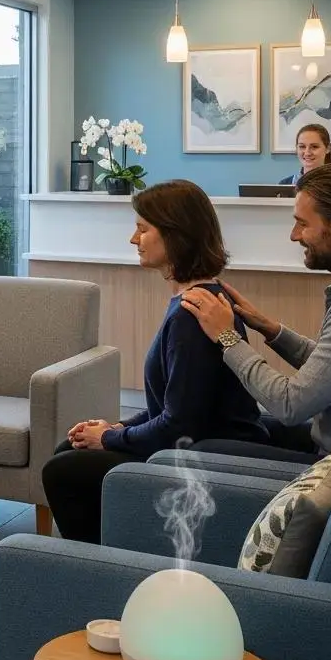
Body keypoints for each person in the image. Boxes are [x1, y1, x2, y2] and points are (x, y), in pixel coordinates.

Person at [41, 180, 268, 544]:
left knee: (62, 470)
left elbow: (180, 425)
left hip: (204, 456)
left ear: (175, 236)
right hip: (194, 440)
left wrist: (113, 437)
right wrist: (114, 428)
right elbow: (171, 403)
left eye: (143, 229)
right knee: (72, 449)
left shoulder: (192, 314)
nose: (134, 239)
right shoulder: (197, 300)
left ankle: (98, 566)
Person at [182, 163, 331, 464]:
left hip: (329, 470)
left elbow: (289, 404)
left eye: (302, 224)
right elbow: (327, 368)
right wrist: (269, 328)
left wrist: (227, 337)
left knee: (200, 455)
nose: (294, 236)